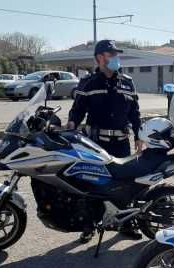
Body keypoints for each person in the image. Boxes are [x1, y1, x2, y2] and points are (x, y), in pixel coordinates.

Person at [67, 39, 143, 239]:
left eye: (117, 55)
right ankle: (89, 224)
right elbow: (77, 111)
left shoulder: (127, 82)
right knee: (92, 183)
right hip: (96, 143)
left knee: (125, 183)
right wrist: (71, 125)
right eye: (112, 55)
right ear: (100, 58)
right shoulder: (88, 83)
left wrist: (139, 135)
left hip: (121, 143)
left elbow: (135, 112)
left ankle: (126, 223)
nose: (116, 58)